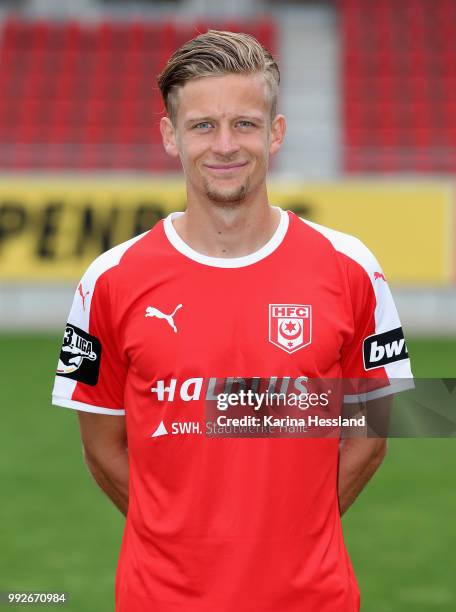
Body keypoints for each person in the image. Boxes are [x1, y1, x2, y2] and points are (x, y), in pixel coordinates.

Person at [52, 30, 413, 611]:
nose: (225, 145)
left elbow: (369, 436)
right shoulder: (110, 279)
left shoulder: (352, 269)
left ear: (276, 132)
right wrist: (185, 546)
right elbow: (102, 446)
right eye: (202, 125)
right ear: (171, 136)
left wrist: (289, 540)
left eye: (244, 123)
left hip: (311, 598)